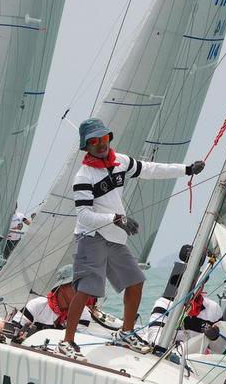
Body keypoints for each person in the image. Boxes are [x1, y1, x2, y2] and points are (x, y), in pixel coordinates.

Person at [59, 117, 206, 360]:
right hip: (91, 237)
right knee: (85, 289)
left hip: (115, 236)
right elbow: (84, 216)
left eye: (104, 138)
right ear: (86, 146)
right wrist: (116, 218)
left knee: (136, 282)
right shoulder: (83, 177)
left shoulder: (121, 161)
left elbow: (150, 169)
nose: (100, 144)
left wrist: (186, 169)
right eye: (94, 141)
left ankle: (125, 333)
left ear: (109, 138)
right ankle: (67, 341)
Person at [8, 265, 90, 343]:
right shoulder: (37, 305)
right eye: (77, 286)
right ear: (62, 287)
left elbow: (75, 343)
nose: (81, 291)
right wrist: (18, 336)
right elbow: (11, 332)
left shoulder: (83, 314)